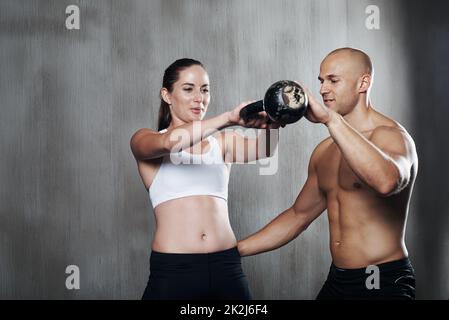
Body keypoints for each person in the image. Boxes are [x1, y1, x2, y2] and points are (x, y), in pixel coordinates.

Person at [237, 48, 418, 300]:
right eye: (321, 81)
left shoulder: (391, 136)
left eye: (333, 80)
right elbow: (298, 216)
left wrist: (331, 121)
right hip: (338, 280)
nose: (322, 90)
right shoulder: (325, 151)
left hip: (382, 281)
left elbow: (387, 182)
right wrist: (233, 251)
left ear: (363, 83)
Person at [130, 58, 279, 300]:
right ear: (167, 95)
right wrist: (228, 119)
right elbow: (171, 142)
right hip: (175, 270)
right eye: (188, 89)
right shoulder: (145, 139)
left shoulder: (221, 143)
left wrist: (273, 123)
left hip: (226, 267)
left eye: (205, 89)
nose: (200, 98)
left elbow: (266, 151)